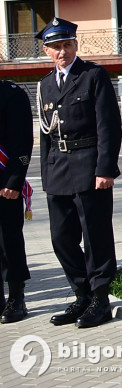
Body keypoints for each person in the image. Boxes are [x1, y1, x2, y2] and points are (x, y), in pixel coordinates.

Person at [36, 17, 122, 328]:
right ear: (46, 50)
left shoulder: (93, 76)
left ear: (76, 45)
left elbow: (109, 127)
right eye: (56, 47)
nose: (63, 52)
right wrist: (46, 175)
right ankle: (81, 294)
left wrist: (105, 169)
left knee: (96, 236)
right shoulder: (45, 85)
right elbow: (46, 135)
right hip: (58, 169)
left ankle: (100, 298)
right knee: (61, 237)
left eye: (68, 45)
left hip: (89, 167)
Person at [0, 78, 33, 324]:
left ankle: (16, 298)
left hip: (4, 182)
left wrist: (14, 180)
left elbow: (22, 141)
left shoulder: (11, 93)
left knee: (8, 240)